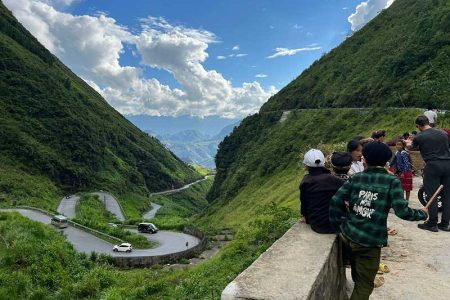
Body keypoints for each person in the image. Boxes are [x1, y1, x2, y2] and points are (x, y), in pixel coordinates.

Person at [330, 142, 428, 300]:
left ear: (364, 160)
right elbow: (402, 211)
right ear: (386, 162)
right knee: (365, 285)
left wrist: (339, 228)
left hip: (350, 236)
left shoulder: (356, 178)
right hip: (370, 241)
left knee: (358, 270)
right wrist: (422, 214)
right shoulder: (392, 181)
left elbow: (335, 202)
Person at [412, 115, 450, 232]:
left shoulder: (419, 136)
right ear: (428, 122)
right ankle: (445, 223)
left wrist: (407, 143)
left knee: (431, 194)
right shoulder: (443, 133)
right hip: (448, 164)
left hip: (433, 165)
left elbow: (412, 148)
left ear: (417, 126)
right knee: (447, 195)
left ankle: (432, 223)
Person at [299, 149, 345, 234]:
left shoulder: (305, 182)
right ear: (324, 163)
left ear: (306, 165)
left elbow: (304, 205)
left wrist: (305, 217)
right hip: (336, 224)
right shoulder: (334, 179)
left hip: (317, 225)